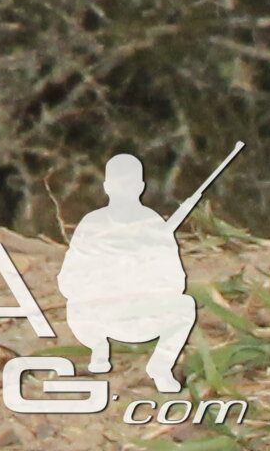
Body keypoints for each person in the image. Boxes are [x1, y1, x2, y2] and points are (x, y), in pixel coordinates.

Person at [59, 151, 203, 391]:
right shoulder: (92, 225)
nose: (123, 190)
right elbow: (67, 279)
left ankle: (161, 366)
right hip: (101, 312)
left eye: (129, 183)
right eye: (118, 183)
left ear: (141, 187)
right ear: (107, 186)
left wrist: (145, 274)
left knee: (185, 305)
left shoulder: (154, 224)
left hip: (143, 313)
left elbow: (176, 281)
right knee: (75, 306)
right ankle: (98, 351)